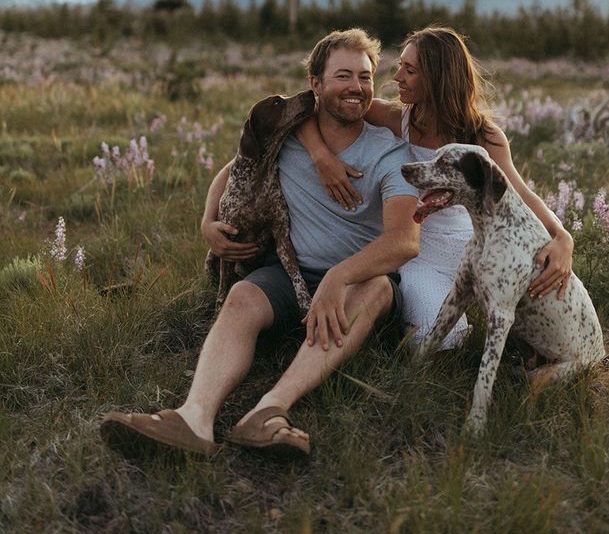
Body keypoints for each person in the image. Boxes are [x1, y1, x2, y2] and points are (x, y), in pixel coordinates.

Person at [100, 29, 419, 458]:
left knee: (378, 287)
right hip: (292, 273)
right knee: (243, 295)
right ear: (315, 84)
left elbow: (404, 241)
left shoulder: (389, 153)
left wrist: (339, 277)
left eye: (364, 77)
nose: (356, 88)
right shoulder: (286, 137)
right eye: (343, 76)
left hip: (357, 280)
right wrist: (207, 221)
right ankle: (193, 418)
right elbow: (234, 170)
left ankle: (269, 411)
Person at [298, 26, 574, 349]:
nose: (397, 76)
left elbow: (521, 194)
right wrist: (319, 154)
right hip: (421, 255)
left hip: (477, 247)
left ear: (437, 79)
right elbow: (307, 107)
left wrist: (562, 236)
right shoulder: (395, 119)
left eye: (410, 70)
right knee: (439, 341)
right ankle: (462, 326)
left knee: (548, 311)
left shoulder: (483, 135)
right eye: (401, 65)